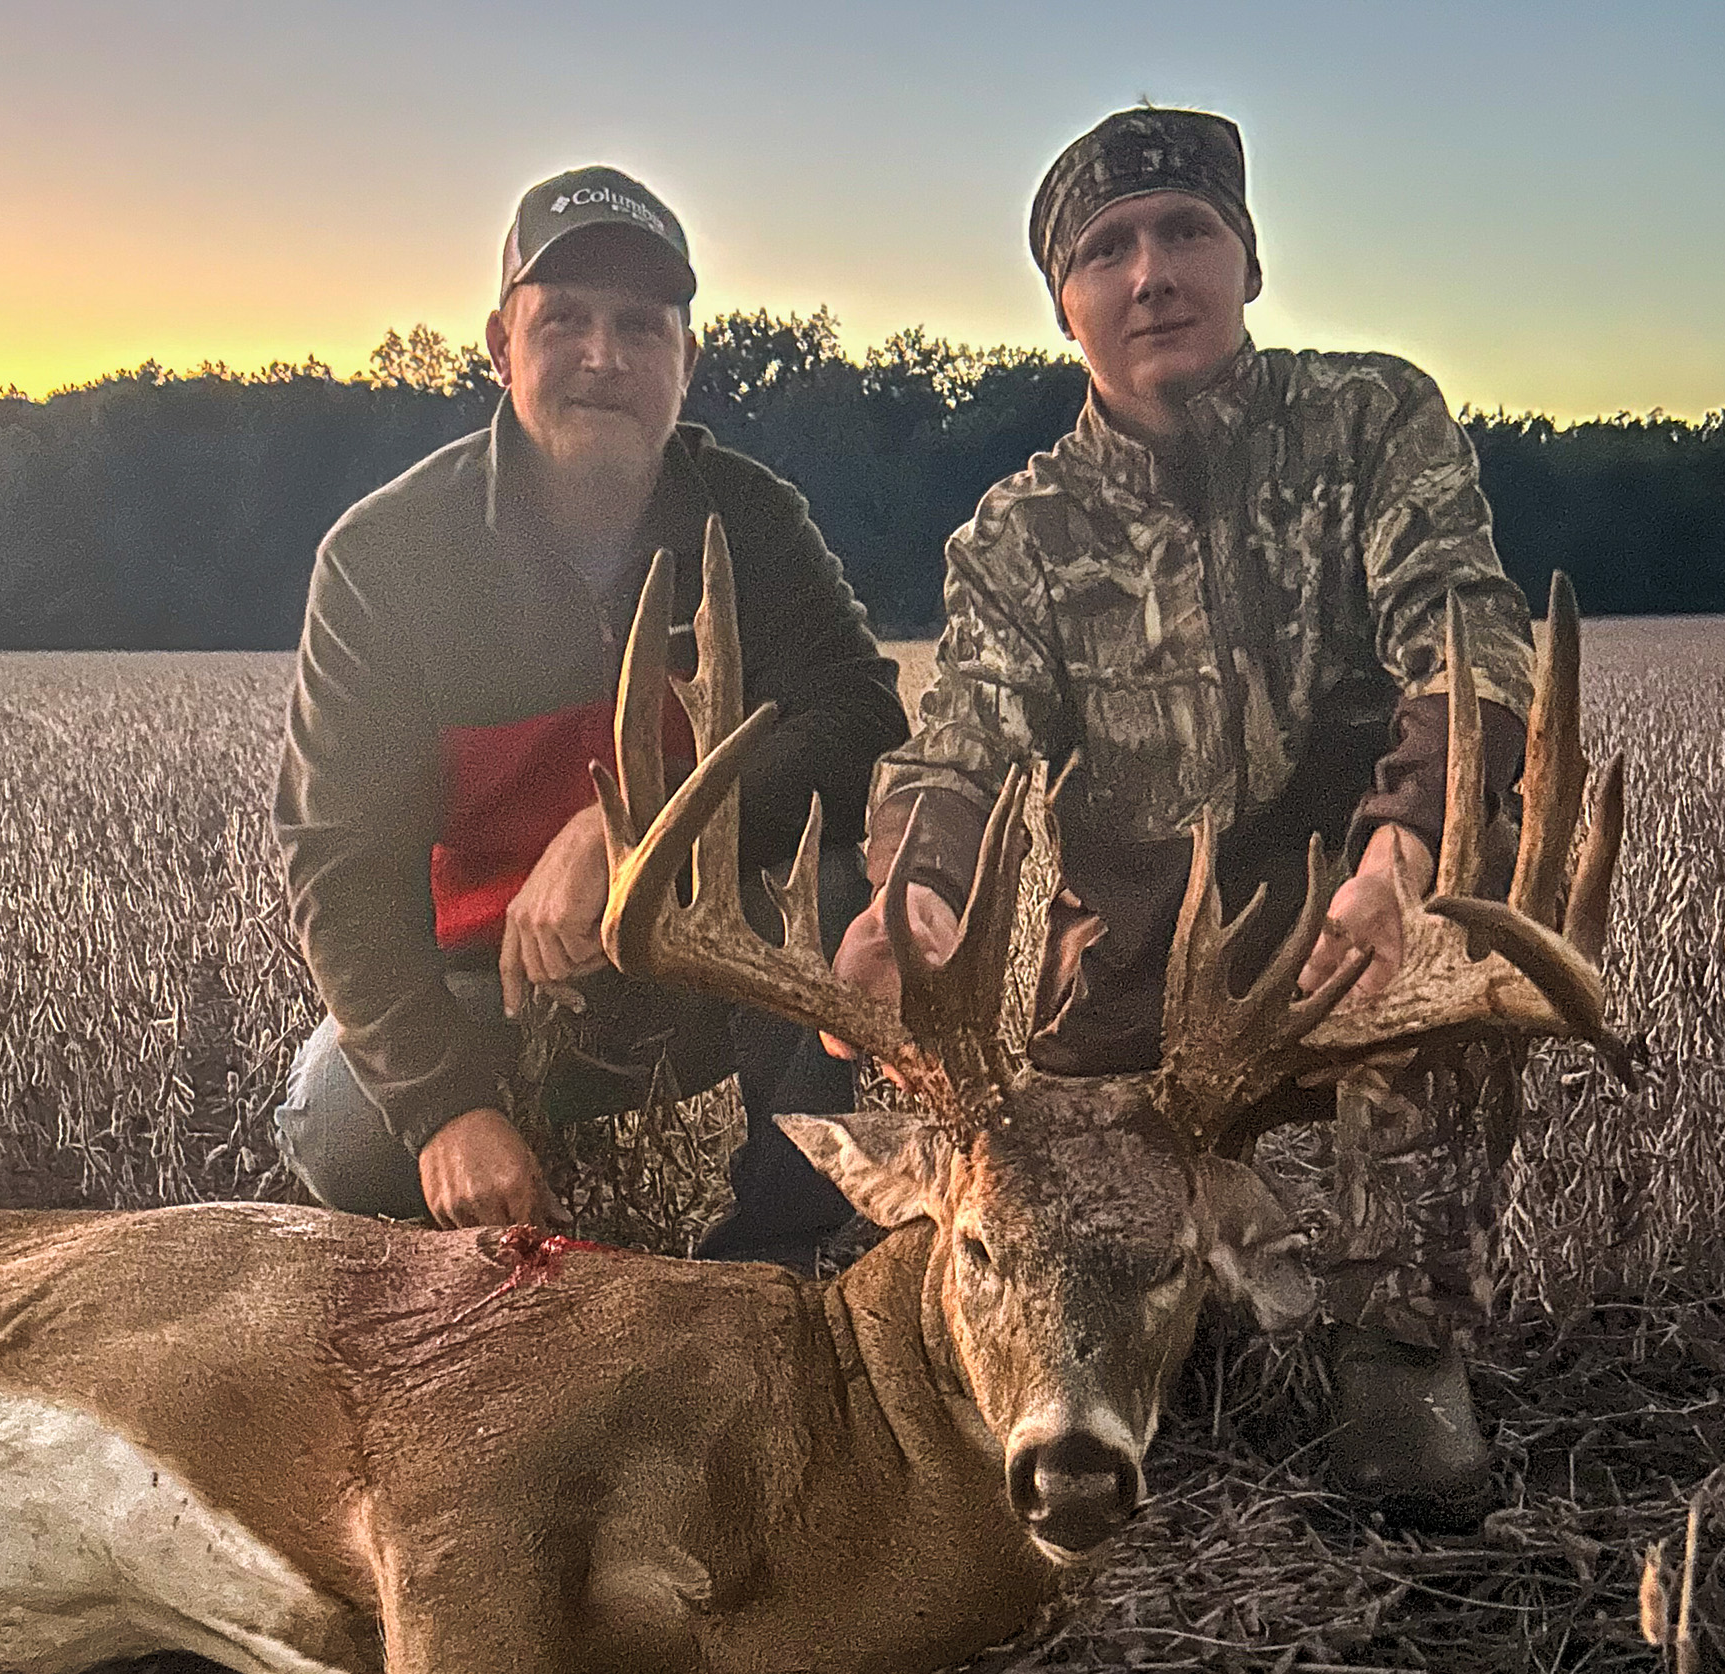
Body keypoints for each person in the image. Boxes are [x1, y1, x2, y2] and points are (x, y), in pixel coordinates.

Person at [831, 107, 1537, 1525]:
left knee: (1454, 983)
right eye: (1107, 250)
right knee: (1030, 1191)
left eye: (1186, 231)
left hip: (1353, 954)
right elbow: (960, 736)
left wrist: (1400, 855)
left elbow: (1470, 646)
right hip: (1136, 999)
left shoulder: (1375, 423)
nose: (1151, 272)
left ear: (1248, 262)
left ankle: (1398, 1341)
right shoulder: (1023, 530)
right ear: (1066, 306)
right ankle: (1141, 1321)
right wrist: (914, 889)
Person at [271, 165, 906, 1268]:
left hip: (708, 970)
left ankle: (752, 1267)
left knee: (843, 934)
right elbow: (341, 867)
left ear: (686, 362)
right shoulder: (384, 559)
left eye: (639, 327)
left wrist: (628, 833)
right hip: (494, 990)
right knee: (338, 1117)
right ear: (498, 345)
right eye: (563, 320)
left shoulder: (748, 517)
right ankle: (524, 1213)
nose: (604, 358)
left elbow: (859, 727)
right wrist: (443, 1109)